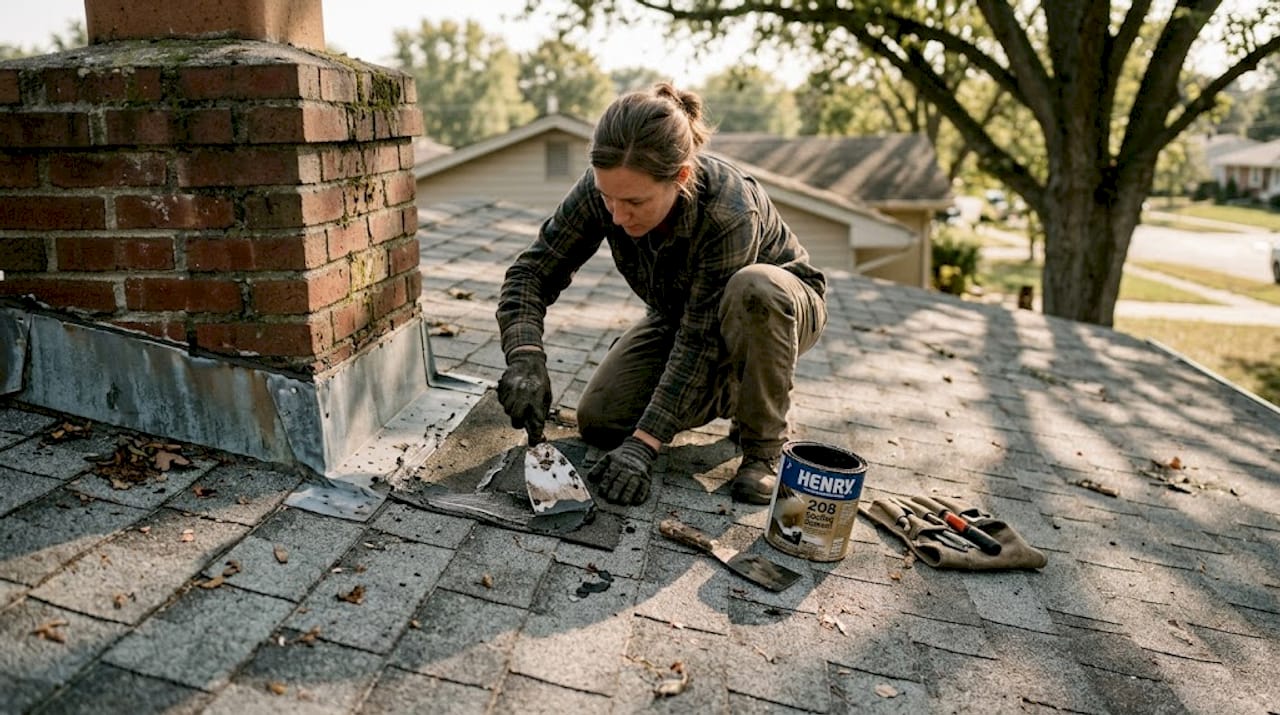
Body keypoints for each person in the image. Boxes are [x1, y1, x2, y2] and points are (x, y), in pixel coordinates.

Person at [495, 82, 827, 506]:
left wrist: (645, 445)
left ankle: (763, 448)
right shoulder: (609, 188)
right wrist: (525, 356)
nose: (617, 214)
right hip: (682, 314)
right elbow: (532, 273)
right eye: (607, 197)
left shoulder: (729, 210)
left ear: (681, 177)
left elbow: (699, 343)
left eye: (634, 201)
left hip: (777, 310)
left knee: (754, 286)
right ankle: (737, 388)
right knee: (600, 421)